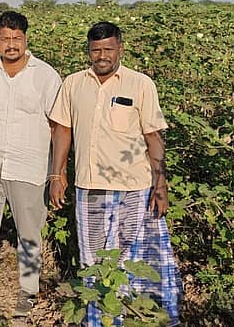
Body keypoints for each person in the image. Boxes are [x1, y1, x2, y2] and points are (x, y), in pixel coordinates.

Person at [48, 21, 182, 326]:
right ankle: (99, 320)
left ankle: (132, 317)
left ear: (120, 48)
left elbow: (154, 137)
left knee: (129, 260)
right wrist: (56, 175)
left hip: (132, 189)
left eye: (108, 49)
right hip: (90, 187)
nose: (102, 55)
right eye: (96, 50)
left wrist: (160, 184)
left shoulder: (140, 84)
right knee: (93, 260)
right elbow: (62, 130)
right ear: (88, 51)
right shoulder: (73, 83)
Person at [0, 11, 63, 318]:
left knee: (29, 232)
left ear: (26, 39)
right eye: (5, 38)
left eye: (17, 38)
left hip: (29, 168)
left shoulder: (45, 75)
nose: (11, 44)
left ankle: (29, 289)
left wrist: (57, 171)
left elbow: (58, 127)